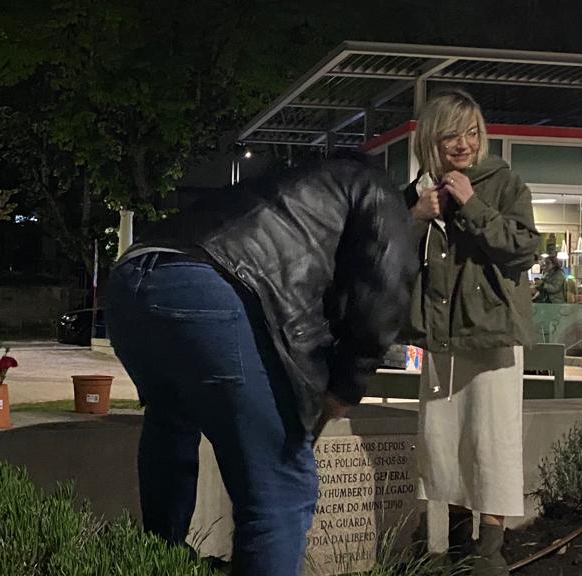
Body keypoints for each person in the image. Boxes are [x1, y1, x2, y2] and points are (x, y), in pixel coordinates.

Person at [105, 156, 418, 576]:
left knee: (172, 423)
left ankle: (160, 560)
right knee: (281, 490)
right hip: (210, 287)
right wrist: (347, 385)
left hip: (131, 282)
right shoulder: (379, 191)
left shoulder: (291, 183)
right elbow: (384, 291)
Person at [402, 89, 540, 576]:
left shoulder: (503, 182)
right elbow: (384, 254)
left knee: (491, 443)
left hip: (492, 337)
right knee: (444, 445)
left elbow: (525, 249)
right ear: (431, 139)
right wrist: (416, 217)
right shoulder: (418, 192)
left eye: (472, 133)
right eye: (451, 135)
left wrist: (472, 204)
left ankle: (489, 554)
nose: (463, 144)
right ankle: (459, 548)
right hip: (440, 339)